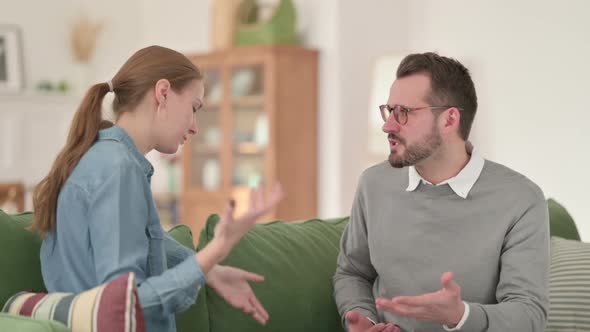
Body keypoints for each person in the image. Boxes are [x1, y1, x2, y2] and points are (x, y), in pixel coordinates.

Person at [32, 45, 284, 332]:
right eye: (194, 108)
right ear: (162, 93)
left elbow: (151, 243)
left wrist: (210, 271)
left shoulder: (104, 160)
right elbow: (124, 306)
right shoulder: (118, 169)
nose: (195, 127)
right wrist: (212, 253)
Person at [333, 52, 549, 332]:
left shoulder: (521, 199)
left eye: (404, 113)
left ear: (449, 120)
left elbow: (529, 314)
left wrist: (460, 316)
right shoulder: (373, 184)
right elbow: (353, 272)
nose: (388, 125)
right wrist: (363, 320)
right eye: (389, 110)